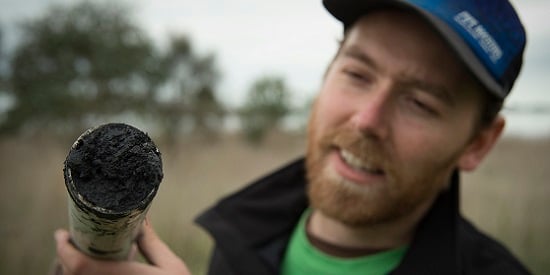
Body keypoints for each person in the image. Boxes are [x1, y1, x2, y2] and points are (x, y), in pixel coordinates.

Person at [55, 0, 531, 274]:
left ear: (478, 144)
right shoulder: (239, 239)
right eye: (358, 73)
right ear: (326, 74)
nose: (367, 120)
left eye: (422, 103)